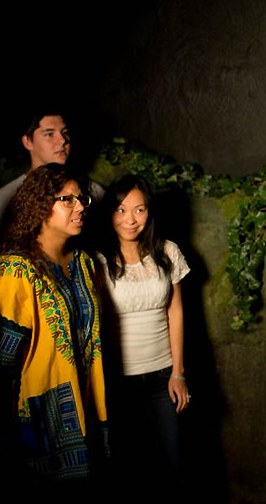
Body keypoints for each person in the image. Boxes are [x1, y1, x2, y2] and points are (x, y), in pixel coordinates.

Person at [0, 163, 109, 500]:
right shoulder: (13, 270)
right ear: (39, 206)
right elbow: (1, 365)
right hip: (39, 426)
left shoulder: (84, 262)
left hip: (90, 409)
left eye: (81, 198)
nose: (80, 206)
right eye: (66, 199)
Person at [96, 174, 190, 499]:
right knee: (130, 471)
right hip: (118, 382)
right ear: (110, 213)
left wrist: (178, 372)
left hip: (164, 378)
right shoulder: (97, 260)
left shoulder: (167, 251)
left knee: (173, 467)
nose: (130, 219)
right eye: (121, 210)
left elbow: (175, 312)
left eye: (139, 209)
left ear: (149, 212)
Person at [0, 110, 104, 259]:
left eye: (65, 133)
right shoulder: (3, 199)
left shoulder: (95, 192)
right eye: (49, 134)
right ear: (28, 142)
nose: (62, 141)